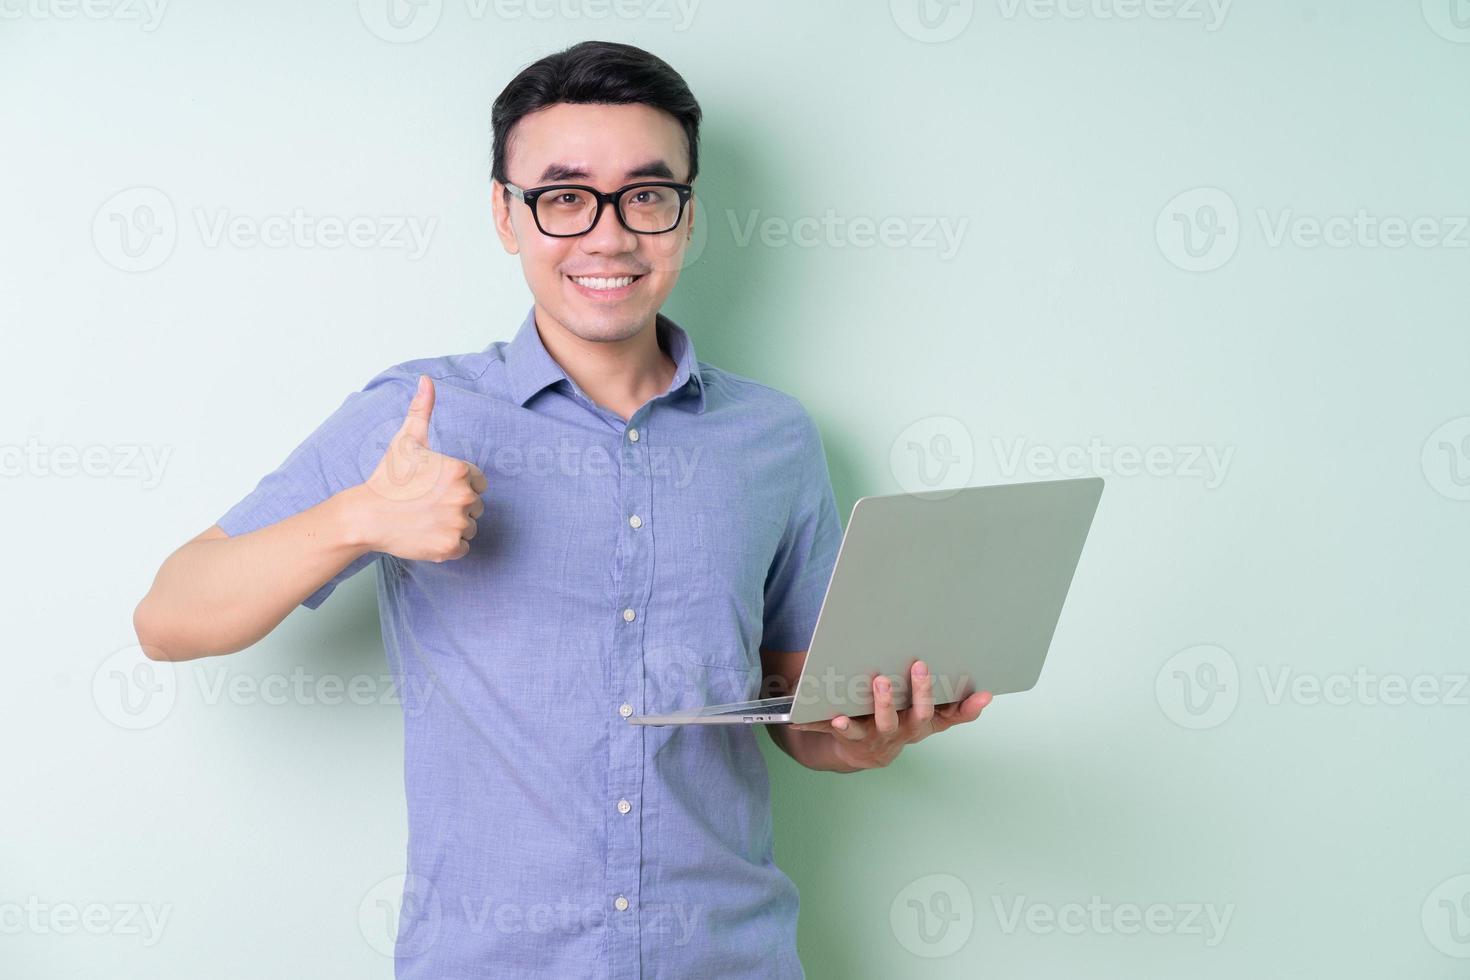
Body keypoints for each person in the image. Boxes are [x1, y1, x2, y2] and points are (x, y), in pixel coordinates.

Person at [132, 39, 990, 979]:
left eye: (647, 195)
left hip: (726, 959)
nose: (609, 235)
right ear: (506, 214)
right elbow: (170, 617)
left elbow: (798, 711)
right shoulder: (417, 421)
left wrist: (867, 738)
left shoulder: (775, 441)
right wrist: (358, 519)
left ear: (688, 216)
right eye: (563, 195)